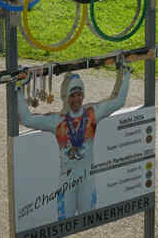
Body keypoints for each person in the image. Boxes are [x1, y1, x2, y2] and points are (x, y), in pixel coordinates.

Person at [18, 58, 135, 220]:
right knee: (64, 222)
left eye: (79, 94)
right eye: (72, 95)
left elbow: (119, 102)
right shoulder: (57, 121)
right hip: (67, 180)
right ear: (66, 97)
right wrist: (18, 90)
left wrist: (126, 74)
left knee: (88, 218)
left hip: (87, 177)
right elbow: (27, 119)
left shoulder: (92, 114)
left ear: (83, 95)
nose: (76, 99)